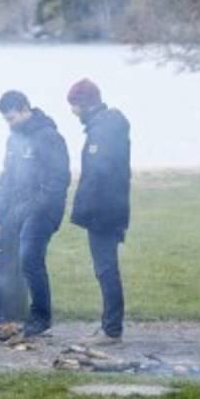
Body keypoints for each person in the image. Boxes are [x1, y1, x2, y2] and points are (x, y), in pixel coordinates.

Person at [0, 91, 70, 336]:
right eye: (6, 120)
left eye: (11, 118)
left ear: (24, 109)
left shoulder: (48, 137)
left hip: (44, 209)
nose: (9, 124)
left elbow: (58, 181)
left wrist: (32, 208)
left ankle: (41, 317)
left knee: (30, 257)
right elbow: (7, 179)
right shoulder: (13, 140)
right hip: (18, 208)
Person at [66, 79, 130, 345]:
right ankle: (109, 324)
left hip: (105, 210)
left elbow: (97, 174)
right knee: (104, 268)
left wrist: (83, 211)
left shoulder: (102, 130)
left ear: (85, 104)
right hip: (111, 206)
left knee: (105, 269)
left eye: (74, 106)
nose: (73, 112)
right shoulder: (105, 126)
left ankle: (112, 330)